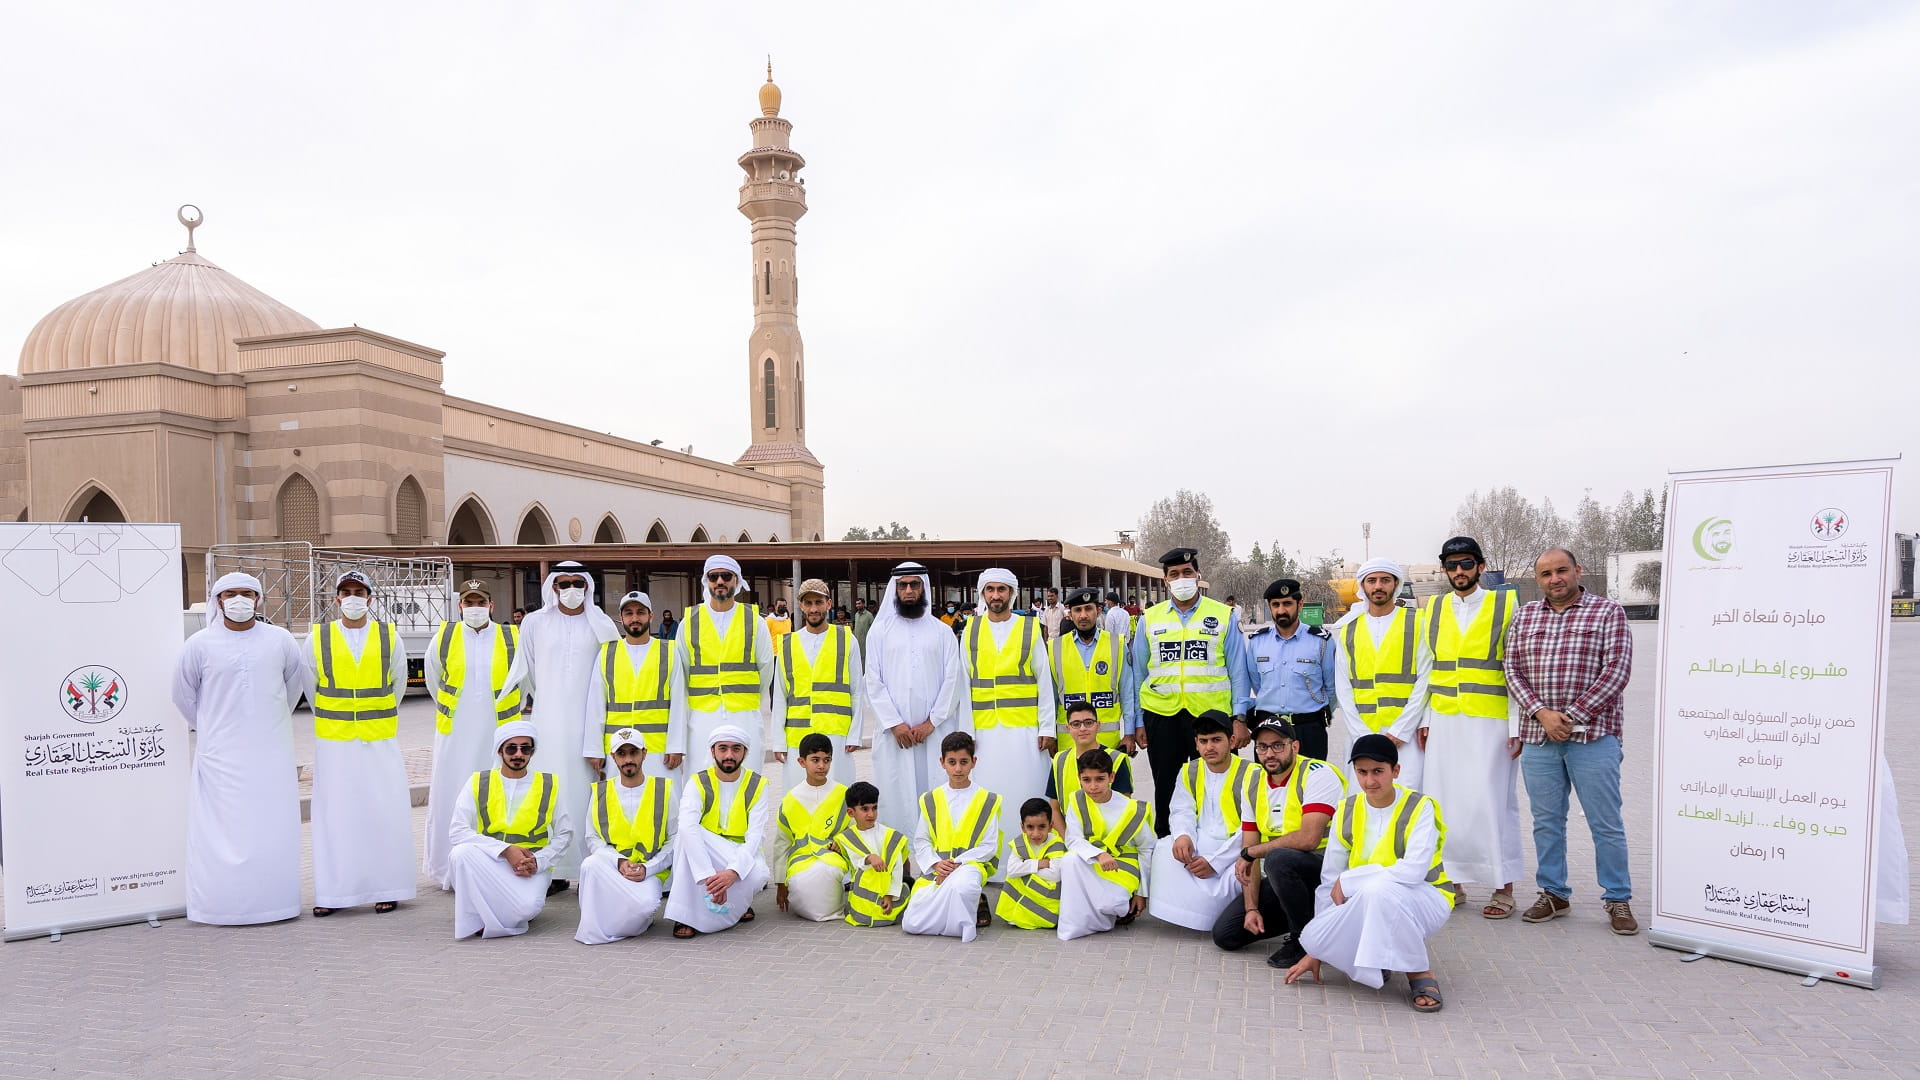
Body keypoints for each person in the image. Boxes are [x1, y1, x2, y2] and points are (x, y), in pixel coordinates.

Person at [1505, 547, 1637, 934]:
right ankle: (1554, 893)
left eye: (1561, 570)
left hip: (1593, 738)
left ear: (1577, 570)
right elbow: (1511, 669)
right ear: (1538, 579)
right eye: (1546, 574)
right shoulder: (1525, 616)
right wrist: (1541, 713)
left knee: (1606, 823)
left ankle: (1617, 898)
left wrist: (1572, 716)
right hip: (1539, 738)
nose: (1555, 579)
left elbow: (1617, 671)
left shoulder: (1608, 612)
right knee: (1546, 822)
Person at [171, 572, 308, 925]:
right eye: (230, 593)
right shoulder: (199, 644)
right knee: (220, 829)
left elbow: (293, 689)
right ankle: (219, 905)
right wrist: (213, 728)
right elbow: (183, 696)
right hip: (221, 755)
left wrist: (267, 722)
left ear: (258, 599)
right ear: (217, 600)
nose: (239, 600)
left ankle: (276, 902)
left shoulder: (280, 640)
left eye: (246, 593)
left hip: (271, 752)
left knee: (271, 824)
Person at [1284, 734, 1451, 1013]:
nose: (1370, 781)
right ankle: (1378, 960)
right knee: (1316, 934)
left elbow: (1413, 871)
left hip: (1426, 897)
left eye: (1378, 771)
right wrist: (1319, 949)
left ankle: (1419, 971)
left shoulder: (1421, 806)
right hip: (1365, 898)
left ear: (1395, 771)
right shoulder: (1346, 810)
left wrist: (1351, 880)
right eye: (1362, 772)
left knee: (1378, 891)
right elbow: (1330, 881)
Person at [1418, 536, 1525, 919]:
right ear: (1444, 569)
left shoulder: (1505, 604)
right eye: (1452, 565)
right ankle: (1452, 882)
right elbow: (1428, 667)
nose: (1459, 571)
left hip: (1491, 721)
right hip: (1445, 718)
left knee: (1491, 802)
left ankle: (1503, 887)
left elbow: (1516, 667)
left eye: (1466, 563)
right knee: (1444, 802)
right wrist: (1426, 719)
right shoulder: (1434, 608)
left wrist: (1516, 724)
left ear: (1481, 566)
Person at [497, 561, 620, 892]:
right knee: (549, 792)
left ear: (588, 586)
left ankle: (590, 868)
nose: (570, 589)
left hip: (589, 725)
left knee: (586, 794)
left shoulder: (601, 623)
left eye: (577, 582)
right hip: (548, 723)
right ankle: (552, 869)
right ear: (552, 587)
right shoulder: (535, 623)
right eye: (563, 583)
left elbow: (613, 673)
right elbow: (528, 669)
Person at [306, 569, 415, 917]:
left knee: (383, 811)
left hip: (378, 739)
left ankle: (388, 888)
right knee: (334, 816)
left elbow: (398, 684)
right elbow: (310, 686)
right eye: (346, 592)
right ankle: (333, 893)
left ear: (370, 597)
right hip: (335, 743)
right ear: (337, 598)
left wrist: (374, 717)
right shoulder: (318, 637)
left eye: (359, 592)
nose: (352, 598)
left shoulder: (389, 636)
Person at [1132, 548, 1251, 836]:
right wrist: (1137, 721)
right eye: (1174, 574)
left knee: (1215, 787)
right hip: (1162, 715)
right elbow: (1138, 674)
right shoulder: (1150, 618)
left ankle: (1219, 841)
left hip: (1212, 717)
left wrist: (1240, 718)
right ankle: (1167, 841)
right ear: (1165, 581)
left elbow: (1238, 671)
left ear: (1198, 576)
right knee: (1166, 786)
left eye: (1187, 572)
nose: (1181, 579)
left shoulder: (1223, 615)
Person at [1215, 717, 1345, 967]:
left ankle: (1303, 941)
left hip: (1327, 875)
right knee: (1226, 935)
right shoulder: (1253, 782)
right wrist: (1252, 908)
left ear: (1294, 746)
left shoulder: (1318, 774)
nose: (1269, 753)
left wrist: (1253, 852)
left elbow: (1309, 839)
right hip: (1287, 877)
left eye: (1277, 745)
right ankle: (1308, 919)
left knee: (1278, 858)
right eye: (1262, 747)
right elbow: (1249, 848)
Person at [423, 581, 523, 889]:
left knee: (495, 797)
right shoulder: (444, 637)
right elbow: (433, 679)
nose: (475, 608)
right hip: (455, 733)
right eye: (469, 602)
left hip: (498, 733)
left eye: (481, 602)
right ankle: (448, 869)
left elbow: (524, 681)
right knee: (450, 795)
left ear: (491, 606)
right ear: (460, 606)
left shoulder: (511, 637)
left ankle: (494, 869)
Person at [863, 561, 966, 836]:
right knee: (896, 793)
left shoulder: (942, 632)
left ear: (924, 587)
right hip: (894, 735)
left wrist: (931, 723)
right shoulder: (879, 632)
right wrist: (895, 724)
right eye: (902, 585)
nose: (908, 590)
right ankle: (900, 853)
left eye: (914, 584)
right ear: (895, 589)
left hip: (934, 733)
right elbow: (872, 680)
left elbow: (953, 680)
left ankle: (938, 851)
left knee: (935, 790)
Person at [962, 568, 1055, 865]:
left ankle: (1033, 861)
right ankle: (995, 863)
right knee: (990, 799)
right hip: (985, 732)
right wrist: (967, 733)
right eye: (990, 589)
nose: (996, 595)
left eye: (1002, 589)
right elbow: (963, 684)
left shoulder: (1029, 627)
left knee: (1027, 792)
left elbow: (1044, 681)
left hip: (1025, 730)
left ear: (1012, 593)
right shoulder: (970, 629)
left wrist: (1047, 728)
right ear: (983, 594)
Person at [449, 721, 574, 939]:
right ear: (500, 751)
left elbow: (565, 833)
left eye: (525, 749)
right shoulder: (478, 781)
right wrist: (506, 850)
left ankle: (496, 912)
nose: (518, 754)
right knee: (460, 854)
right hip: (492, 860)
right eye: (511, 748)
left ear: (532, 752)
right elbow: (457, 830)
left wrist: (539, 861)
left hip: (529, 865)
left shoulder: (548, 784)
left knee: (527, 909)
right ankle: (480, 918)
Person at [1148, 712, 1264, 931]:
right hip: (1200, 843)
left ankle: (1211, 914)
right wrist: (1183, 836)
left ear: (1231, 741)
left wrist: (1215, 862)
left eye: (1216, 740)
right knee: (1164, 847)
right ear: (1196, 744)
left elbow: (1253, 828)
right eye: (1204, 741)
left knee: (1245, 871)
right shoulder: (1189, 770)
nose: (1209, 747)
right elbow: (1181, 810)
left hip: (1236, 849)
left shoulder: (1253, 773)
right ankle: (1184, 911)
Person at [664, 725, 773, 938]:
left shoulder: (758, 784)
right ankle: (684, 915)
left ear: (745, 752)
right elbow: (687, 825)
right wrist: (707, 875)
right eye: (723, 748)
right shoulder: (697, 782)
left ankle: (738, 905)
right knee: (686, 835)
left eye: (736, 749)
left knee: (759, 875)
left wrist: (733, 872)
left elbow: (755, 836)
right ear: (713, 751)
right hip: (705, 849)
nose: (729, 755)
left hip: (739, 850)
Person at [1331, 558, 1431, 788]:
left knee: (1406, 797)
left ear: (1396, 584)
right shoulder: (1349, 629)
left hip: (1405, 737)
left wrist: (1399, 732)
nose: (1378, 586)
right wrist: (1361, 734)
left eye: (1385, 580)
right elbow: (1343, 688)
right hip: (1361, 734)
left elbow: (1425, 680)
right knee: (1361, 798)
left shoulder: (1418, 623)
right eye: (1372, 580)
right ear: (1363, 586)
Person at [674, 554, 775, 779]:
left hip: (744, 714)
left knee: (746, 777)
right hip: (701, 716)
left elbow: (766, 667)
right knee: (701, 779)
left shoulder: (755, 621)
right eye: (714, 577)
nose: (720, 581)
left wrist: (745, 697)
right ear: (706, 581)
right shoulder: (689, 622)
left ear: (736, 581)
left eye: (726, 576)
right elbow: (681, 673)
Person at [574, 728, 676, 944]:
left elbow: (674, 840)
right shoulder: (600, 792)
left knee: (646, 906)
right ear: (613, 757)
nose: (628, 759)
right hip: (613, 868)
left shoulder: (664, 789)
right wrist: (619, 861)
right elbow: (592, 838)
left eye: (633, 752)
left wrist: (648, 868)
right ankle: (606, 923)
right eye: (621, 754)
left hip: (648, 871)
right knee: (590, 865)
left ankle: (612, 921)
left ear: (644, 754)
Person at [584, 591, 687, 793]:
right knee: (619, 803)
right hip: (617, 748)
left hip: (658, 750)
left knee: (662, 802)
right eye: (629, 613)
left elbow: (679, 703)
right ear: (621, 618)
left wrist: (676, 746)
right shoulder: (607, 653)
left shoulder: (669, 651)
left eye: (640, 612)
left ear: (651, 616)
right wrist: (594, 749)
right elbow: (595, 704)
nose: (634, 618)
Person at [903, 732, 1002, 941]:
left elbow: (989, 845)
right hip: (937, 869)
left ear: (974, 762)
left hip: (970, 866)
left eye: (964, 762)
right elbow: (921, 840)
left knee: (961, 887)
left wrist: (957, 864)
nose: (958, 769)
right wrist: (936, 864)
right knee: (911, 923)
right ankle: (968, 907)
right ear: (942, 762)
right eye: (952, 762)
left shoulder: (988, 799)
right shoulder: (930, 799)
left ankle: (967, 907)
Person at [770, 578, 865, 790]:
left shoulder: (847, 639)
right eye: (809, 603)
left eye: (819, 602)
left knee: (838, 795)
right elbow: (780, 696)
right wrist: (778, 740)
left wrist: (855, 734)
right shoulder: (787, 644)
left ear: (828, 604)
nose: (814, 609)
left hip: (837, 734)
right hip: (797, 736)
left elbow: (857, 690)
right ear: (801, 606)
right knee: (798, 796)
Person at [1058, 748, 1156, 940]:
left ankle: (1103, 916)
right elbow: (1073, 839)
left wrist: (1141, 893)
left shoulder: (1131, 809)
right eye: (1087, 780)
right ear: (1079, 778)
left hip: (1122, 866)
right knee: (1069, 859)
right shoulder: (1076, 800)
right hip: (1093, 862)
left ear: (1111, 777)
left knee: (1114, 905)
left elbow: (1146, 849)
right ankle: (1075, 926)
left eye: (1099, 779)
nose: (1093, 786)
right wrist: (1099, 854)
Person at [1244, 578, 1337, 763]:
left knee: (1310, 780)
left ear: (1300, 604)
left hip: (1308, 729)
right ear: (1269, 606)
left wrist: (1320, 714)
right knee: (1269, 781)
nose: (1281, 610)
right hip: (1268, 730)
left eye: (1287, 604)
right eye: (1275, 605)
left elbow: (1332, 688)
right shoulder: (1257, 642)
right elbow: (1257, 684)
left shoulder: (1321, 641)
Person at [772, 733, 850, 922]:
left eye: (826, 760)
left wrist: (841, 843)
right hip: (800, 859)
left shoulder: (843, 794)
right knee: (801, 882)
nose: (822, 766)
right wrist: (781, 883)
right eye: (815, 760)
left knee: (828, 872)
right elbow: (782, 843)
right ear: (802, 762)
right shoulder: (791, 799)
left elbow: (855, 831)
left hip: (833, 857)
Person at [1052, 587, 1133, 752]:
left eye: (1088, 608)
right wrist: (1049, 735)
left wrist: (1129, 733)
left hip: (1108, 744)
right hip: (1069, 743)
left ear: (1099, 611)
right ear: (1070, 614)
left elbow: (1128, 693)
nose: (1083, 615)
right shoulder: (1055, 648)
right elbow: (1050, 697)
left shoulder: (1116, 644)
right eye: (1078, 610)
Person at [1047, 700, 1135, 832]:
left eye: (1088, 723)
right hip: (1068, 837)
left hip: (1108, 837)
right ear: (1068, 728)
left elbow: (1124, 809)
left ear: (1098, 725)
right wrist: (1069, 840)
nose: (1082, 728)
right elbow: (1054, 808)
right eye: (1076, 724)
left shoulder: (1116, 759)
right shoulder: (1060, 760)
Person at [837, 781, 907, 927]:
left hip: (889, 890)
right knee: (863, 917)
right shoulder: (847, 838)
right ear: (851, 813)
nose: (871, 814)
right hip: (863, 895)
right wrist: (869, 858)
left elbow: (897, 867)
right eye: (865, 809)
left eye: (874, 808)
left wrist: (889, 895)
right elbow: (855, 863)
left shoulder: (890, 835)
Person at [995, 797, 1066, 930]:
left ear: (1051, 826)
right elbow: (1011, 870)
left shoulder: (1056, 844)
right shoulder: (1019, 843)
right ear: (1022, 827)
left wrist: (1024, 867)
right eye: (1030, 827)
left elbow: (1056, 875)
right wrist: (1039, 863)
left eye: (1042, 827)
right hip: (1015, 915)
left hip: (1046, 911)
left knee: (1019, 875)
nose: (1036, 833)